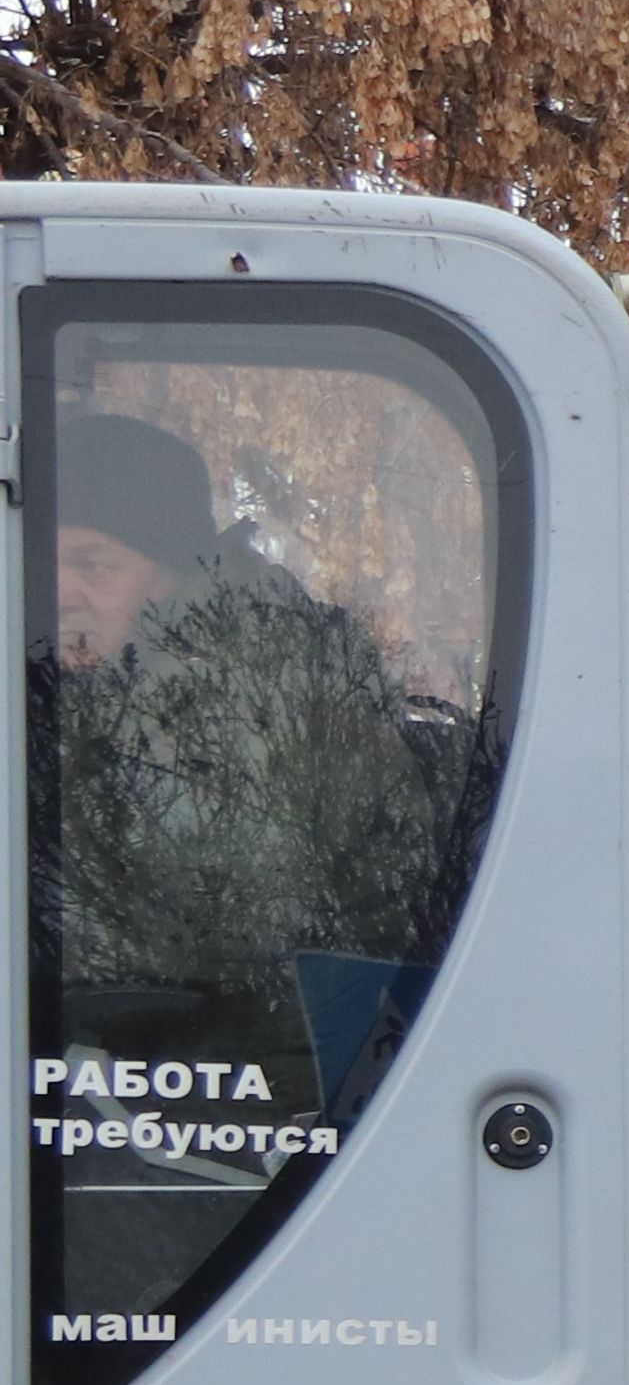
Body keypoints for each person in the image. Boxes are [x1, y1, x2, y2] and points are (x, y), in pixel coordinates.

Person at [32, 406, 463, 1103]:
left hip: (265, 1080)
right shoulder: (98, 682)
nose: (59, 591)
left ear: (169, 574)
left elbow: (183, 927)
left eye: (93, 562)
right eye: (41, 560)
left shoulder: (239, 687)